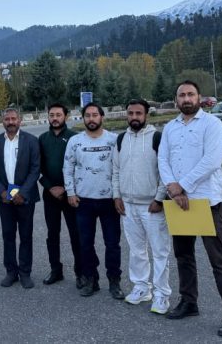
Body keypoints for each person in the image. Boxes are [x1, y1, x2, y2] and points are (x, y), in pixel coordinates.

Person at [158, 80, 222, 338]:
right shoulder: (170, 128)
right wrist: (173, 189)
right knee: (183, 256)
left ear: (199, 97)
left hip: (207, 202)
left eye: (190, 94)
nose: (186, 98)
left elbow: (212, 161)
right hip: (178, 203)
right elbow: (162, 159)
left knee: (219, 261)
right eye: (182, 95)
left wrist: (181, 186)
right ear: (176, 100)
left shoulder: (212, 125)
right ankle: (189, 302)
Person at [112, 99, 171, 314]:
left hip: (152, 206)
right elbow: (116, 170)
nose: (134, 117)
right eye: (131, 113)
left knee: (160, 252)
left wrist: (159, 198)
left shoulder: (157, 138)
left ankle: (162, 295)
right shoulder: (121, 139)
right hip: (128, 205)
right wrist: (117, 196)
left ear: (146, 115)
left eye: (138, 113)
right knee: (137, 251)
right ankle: (141, 288)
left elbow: (165, 170)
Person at [63, 102, 123, 299]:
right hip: (83, 201)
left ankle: (114, 281)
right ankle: (91, 279)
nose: (91, 119)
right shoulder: (75, 141)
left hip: (109, 201)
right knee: (85, 244)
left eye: (94, 115)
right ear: (83, 119)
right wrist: (70, 192)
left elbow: (120, 168)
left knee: (112, 244)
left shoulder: (114, 140)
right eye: (87, 115)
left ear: (101, 117)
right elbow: (68, 168)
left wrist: (119, 195)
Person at [0, 108, 41, 289]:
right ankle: (11, 272)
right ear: (2, 121)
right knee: (8, 235)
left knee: (26, 236)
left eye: (13, 119)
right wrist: (2, 191)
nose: (10, 122)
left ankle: (25, 272)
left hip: (25, 198)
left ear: (20, 120)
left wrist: (22, 193)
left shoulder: (31, 141)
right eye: (7, 119)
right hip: (5, 198)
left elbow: (35, 169)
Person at [38, 103, 83, 287]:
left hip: (71, 194)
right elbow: (38, 166)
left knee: (76, 234)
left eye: (58, 115)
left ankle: (81, 272)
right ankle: (56, 270)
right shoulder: (42, 139)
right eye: (52, 115)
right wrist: (50, 187)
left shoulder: (75, 138)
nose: (55, 118)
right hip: (50, 194)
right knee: (52, 234)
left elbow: (80, 166)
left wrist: (66, 188)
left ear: (66, 116)